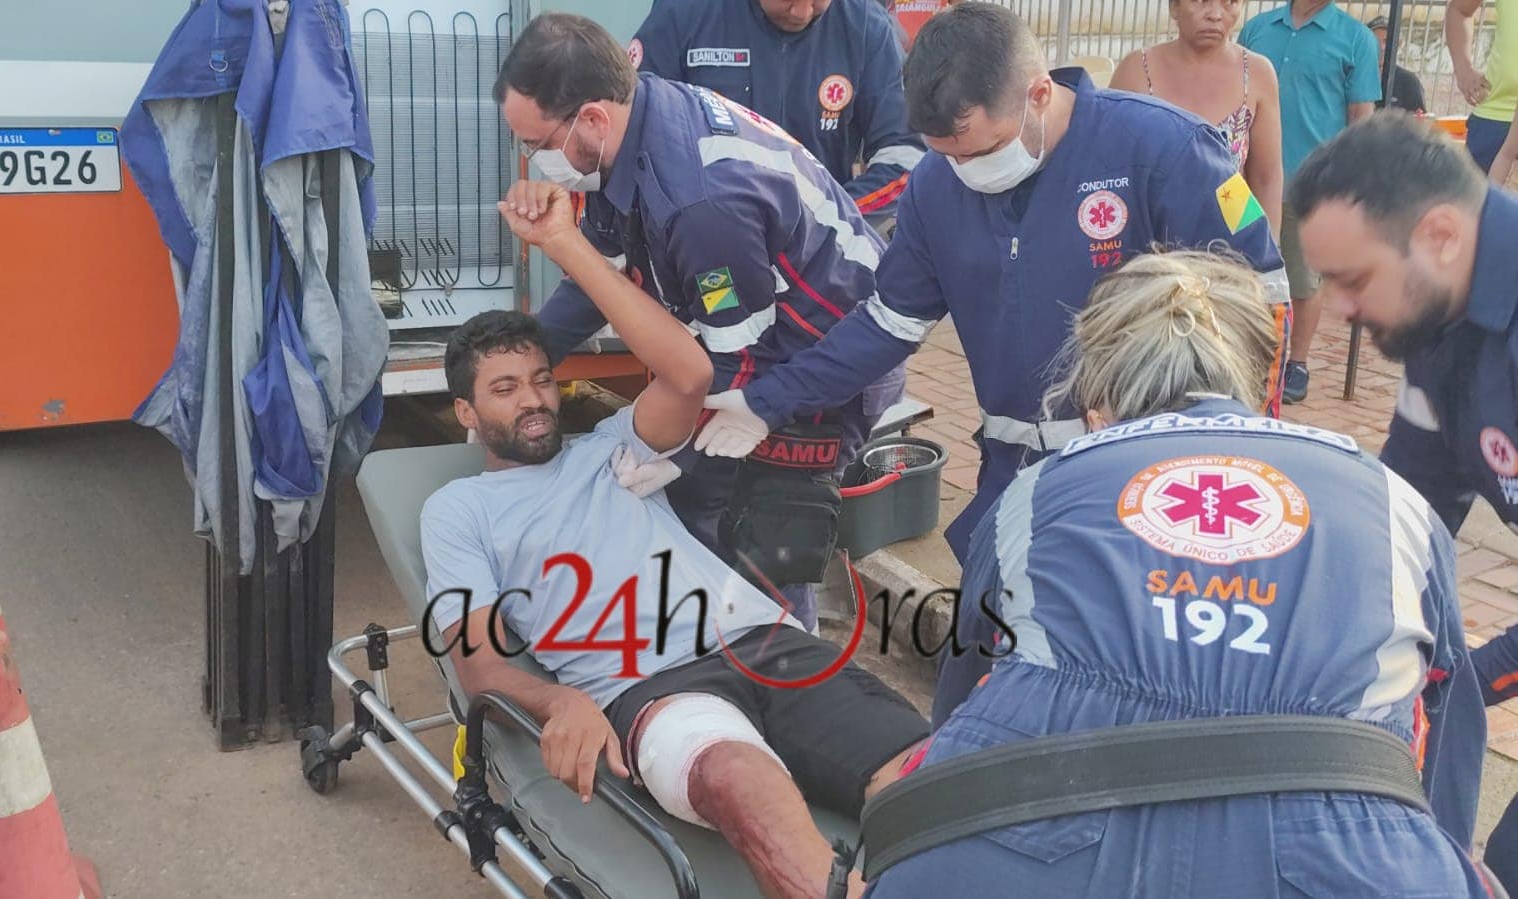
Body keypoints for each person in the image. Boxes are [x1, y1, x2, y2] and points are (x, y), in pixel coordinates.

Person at [866, 250, 1487, 896]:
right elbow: (1446, 732)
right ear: (1255, 376)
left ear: (1097, 394)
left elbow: (965, 694)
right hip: (1343, 848)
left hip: (1031, 833)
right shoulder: (1393, 503)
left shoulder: (1037, 491)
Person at [424, 176, 929, 899]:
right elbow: (477, 666)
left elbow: (689, 374)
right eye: (504, 389)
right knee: (736, 776)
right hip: (647, 684)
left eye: (540, 379)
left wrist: (565, 243)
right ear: (467, 413)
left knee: (922, 773)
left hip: (760, 638)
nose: (532, 400)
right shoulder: (458, 510)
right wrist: (561, 702)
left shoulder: (612, 447)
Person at [695, 2, 1289, 565]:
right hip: (1014, 474)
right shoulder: (936, 187)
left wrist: (1244, 455)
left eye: (986, 150)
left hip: (1145, 477)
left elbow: (1261, 301)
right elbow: (887, 324)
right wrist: (765, 403)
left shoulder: (1168, 150)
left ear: (1039, 94)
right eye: (949, 155)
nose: (969, 172)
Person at [502, 13, 905, 631]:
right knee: (700, 510)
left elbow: (738, 358)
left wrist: (677, 449)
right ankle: (716, 642)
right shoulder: (627, 133)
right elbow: (599, 276)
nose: (535, 162)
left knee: (770, 538)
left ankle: (789, 662)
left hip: (826, 362)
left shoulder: (699, 201)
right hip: (758, 337)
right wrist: (520, 360)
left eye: (537, 145)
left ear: (592, 119)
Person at [1291, 110, 1518, 893]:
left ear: (1440, 235)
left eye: (1352, 279)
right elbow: (1403, 514)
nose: (1338, 308)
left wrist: (1458, 679)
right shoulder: (1439, 319)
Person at [630, 0, 926, 224]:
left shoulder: (866, 26)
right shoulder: (683, 12)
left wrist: (831, 221)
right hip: (702, 234)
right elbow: (634, 136)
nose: (802, 12)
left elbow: (905, 156)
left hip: (824, 249)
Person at [1239, 0, 1378, 405]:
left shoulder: (1356, 39)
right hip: (1243, 182)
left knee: (1302, 280)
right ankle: (1244, 356)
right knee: (1242, 271)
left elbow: (1361, 116)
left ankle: (1295, 363)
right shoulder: (1257, 28)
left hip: (1309, 183)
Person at [1111, 0, 1284, 238]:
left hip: (1231, 243)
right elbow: (1110, 170)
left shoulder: (1256, 73)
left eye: (1230, 2)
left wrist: (1269, 248)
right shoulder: (1137, 71)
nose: (1215, 14)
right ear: (1174, 7)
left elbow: (1266, 178)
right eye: (1200, 1)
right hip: (1151, 240)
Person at [1448, 0, 1518, 173]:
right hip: (1495, 115)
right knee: (1474, 190)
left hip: (1496, 119)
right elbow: (1459, 10)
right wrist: (1463, 68)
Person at [1367, 16, 1427, 114]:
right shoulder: (1354, 77)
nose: (1381, 47)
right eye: (1375, 41)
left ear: (1398, 45)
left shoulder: (1408, 81)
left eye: (1387, 41)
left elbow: (1419, 119)